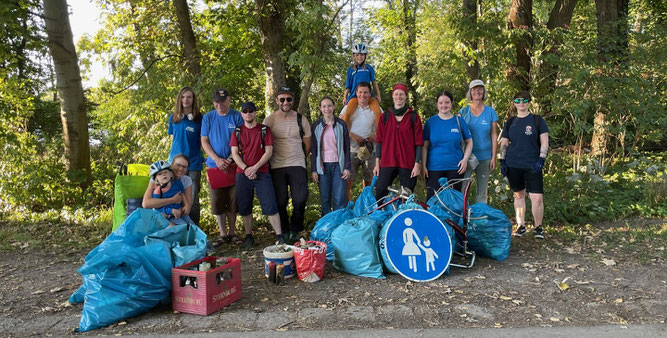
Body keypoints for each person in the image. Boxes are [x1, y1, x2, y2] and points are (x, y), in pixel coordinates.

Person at [230, 101, 285, 248]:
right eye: (245, 111)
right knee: (245, 206)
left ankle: (279, 236)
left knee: (270, 204)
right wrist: (247, 169)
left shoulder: (264, 130)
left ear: (255, 112)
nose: (248, 113)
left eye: (251, 111)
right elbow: (234, 154)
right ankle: (249, 236)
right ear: (241, 114)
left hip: (262, 172)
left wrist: (254, 168)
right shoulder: (237, 131)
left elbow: (269, 151)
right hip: (242, 174)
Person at [263, 86, 312, 242]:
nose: (285, 102)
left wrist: (300, 157)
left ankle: (295, 229)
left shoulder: (301, 119)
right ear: (277, 100)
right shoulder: (269, 120)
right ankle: (283, 230)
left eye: (288, 99)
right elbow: (263, 143)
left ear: (292, 100)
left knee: (300, 198)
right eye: (282, 99)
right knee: (281, 200)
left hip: (297, 162)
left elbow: (308, 142)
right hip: (276, 165)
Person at [499, 91, 549, 239]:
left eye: (524, 100)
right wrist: (502, 160)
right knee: (518, 195)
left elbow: (545, 141)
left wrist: (542, 158)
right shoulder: (510, 122)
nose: (521, 103)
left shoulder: (537, 120)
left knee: (537, 197)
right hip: (513, 164)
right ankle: (521, 226)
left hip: (533, 164)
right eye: (518, 100)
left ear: (529, 102)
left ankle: (538, 227)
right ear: (514, 103)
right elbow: (504, 143)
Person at [201, 88, 244, 247]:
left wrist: (231, 159)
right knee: (217, 200)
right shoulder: (208, 117)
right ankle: (222, 234)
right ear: (214, 103)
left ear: (229, 100)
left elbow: (242, 139)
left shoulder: (237, 116)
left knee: (233, 200)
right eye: (217, 102)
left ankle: (232, 233)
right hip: (214, 166)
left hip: (234, 164)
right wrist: (217, 160)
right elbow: (204, 141)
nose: (220, 104)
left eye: (223, 101)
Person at [373, 83, 424, 201]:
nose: (399, 97)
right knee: (380, 191)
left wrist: (417, 164)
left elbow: (419, 143)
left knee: (406, 197)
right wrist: (377, 163)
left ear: (406, 96)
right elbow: (379, 140)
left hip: (407, 162)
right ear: (393, 96)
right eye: (396, 94)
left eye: (401, 94)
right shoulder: (385, 116)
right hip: (388, 160)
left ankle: (404, 219)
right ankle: (381, 217)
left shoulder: (413, 117)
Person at [422, 91, 473, 199]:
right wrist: (423, 166)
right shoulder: (430, 123)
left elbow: (469, 141)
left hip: (455, 168)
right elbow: (424, 146)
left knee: (454, 202)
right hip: (434, 168)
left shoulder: (459, 121)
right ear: (437, 104)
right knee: (433, 202)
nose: (444, 105)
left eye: (447, 102)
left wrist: (465, 160)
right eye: (441, 103)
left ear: (451, 103)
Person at [340, 82, 382, 202]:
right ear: (356, 93)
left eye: (366, 92)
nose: (363, 95)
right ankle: (348, 208)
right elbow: (340, 125)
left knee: (368, 181)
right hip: (351, 149)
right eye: (360, 92)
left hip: (370, 150)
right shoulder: (348, 107)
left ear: (370, 94)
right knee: (348, 181)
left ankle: (365, 206)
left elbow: (384, 127)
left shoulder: (377, 109)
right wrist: (352, 136)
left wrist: (376, 135)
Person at [459, 80, 499, 203]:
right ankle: (461, 216)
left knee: (482, 192)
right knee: (462, 188)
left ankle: (480, 218)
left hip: (485, 157)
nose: (477, 91)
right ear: (470, 93)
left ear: (484, 91)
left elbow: (493, 135)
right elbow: (458, 136)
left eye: (480, 89)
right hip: (468, 157)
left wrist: (493, 157)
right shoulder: (463, 112)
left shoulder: (490, 112)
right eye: (474, 89)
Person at [311, 96, 351, 216]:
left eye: (329, 106)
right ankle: (326, 229)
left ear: (333, 107)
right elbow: (314, 149)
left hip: (339, 166)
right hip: (323, 167)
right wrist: (314, 170)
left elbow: (346, 147)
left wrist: (347, 167)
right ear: (320, 108)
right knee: (325, 199)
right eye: (324, 106)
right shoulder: (316, 125)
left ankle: (338, 229)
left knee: (340, 199)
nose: (327, 109)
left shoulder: (341, 124)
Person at [168, 86, 202, 225]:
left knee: (192, 199)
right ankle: (177, 228)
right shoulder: (173, 117)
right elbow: (173, 138)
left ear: (193, 100)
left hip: (193, 163)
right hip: (175, 163)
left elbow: (203, 140)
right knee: (174, 195)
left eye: (189, 97)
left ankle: (195, 231)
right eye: (183, 97)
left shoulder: (199, 118)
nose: (185, 100)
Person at [142, 155, 194, 225]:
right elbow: (146, 204)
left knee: (192, 230)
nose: (181, 168)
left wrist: (179, 210)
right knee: (175, 228)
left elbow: (187, 206)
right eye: (178, 165)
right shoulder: (158, 178)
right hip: (162, 213)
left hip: (178, 213)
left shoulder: (184, 181)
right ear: (172, 164)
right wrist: (173, 200)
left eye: (184, 167)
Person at [341, 43, 382, 119]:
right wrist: (345, 97)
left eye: (362, 55)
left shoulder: (369, 68)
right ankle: (345, 131)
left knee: (378, 112)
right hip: (354, 96)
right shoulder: (351, 69)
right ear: (354, 56)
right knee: (346, 115)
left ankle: (380, 130)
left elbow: (374, 82)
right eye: (357, 55)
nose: (359, 57)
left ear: (365, 56)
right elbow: (348, 85)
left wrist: (378, 95)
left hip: (369, 96)